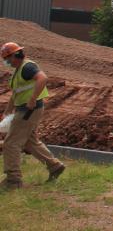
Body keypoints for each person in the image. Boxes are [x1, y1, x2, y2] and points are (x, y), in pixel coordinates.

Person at [1, 42, 66, 190]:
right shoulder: (19, 71)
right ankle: (55, 166)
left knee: (11, 143)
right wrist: (8, 111)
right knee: (30, 141)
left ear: (16, 55)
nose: (7, 62)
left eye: (7, 59)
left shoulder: (27, 67)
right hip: (23, 110)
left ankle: (13, 181)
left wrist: (32, 99)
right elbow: (16, 93)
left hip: (28, 110)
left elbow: (42, 78)